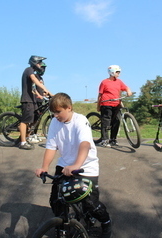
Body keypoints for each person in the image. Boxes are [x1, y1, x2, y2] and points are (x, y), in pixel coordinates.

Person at [35, 93, 112, 238]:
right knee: (56, 200)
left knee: (91, 204)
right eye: (53, 112)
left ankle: (106, 221)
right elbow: (51, 146)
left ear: (69, 108)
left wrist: (76, 165)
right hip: (65, 165)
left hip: (86, 166)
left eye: (58, 112)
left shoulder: (80, 121)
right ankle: (63, 227)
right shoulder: (54, 123)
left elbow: (85, 144)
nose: (55, 115)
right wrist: (44, 167)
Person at [19, 55, 53, 150]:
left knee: (32, 120)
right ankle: (22, 143)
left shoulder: (32, 72)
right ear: (34, 63)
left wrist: (43, 94)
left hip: (32, 100)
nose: (40, 65)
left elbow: (33, 88)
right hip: (27, 100)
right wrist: (49, 91)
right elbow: (35, 80)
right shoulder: (29, 70)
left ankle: (26, 137)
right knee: (25, 121)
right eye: (39, 63)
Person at [97, 65, 132, 147]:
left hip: (116, 105)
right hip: (106, 104)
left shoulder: (119, 82)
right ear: (112, 72)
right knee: (106, 121)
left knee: (116, 121)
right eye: (117, 72)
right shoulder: (104, 82)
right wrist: (98, 105)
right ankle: (105, 140)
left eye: (119, 72)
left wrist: (128, 91)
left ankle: (113, 139)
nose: (119, 74)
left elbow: (126, 87)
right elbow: (100, 94)